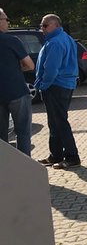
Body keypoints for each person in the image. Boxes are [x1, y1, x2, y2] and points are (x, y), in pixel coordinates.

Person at [35, 14, 81, 169]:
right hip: (65, 84)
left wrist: (43, 84)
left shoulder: (55, 42)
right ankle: (55, 155)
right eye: (41, 25)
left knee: (59, 122)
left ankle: (72, 157)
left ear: (56, 25)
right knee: (55, 121)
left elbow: (51, 68)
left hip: (56, 85)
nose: (42, 28)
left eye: (45, 25)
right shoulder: (66, 38)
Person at [0, 9, 34, 156]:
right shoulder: (11, 41)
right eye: (6, 19)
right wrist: (17, 67)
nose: (8, 23)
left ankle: (4, 166)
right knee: (23, 133)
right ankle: (25, 166)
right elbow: (30, 65)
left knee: (1, 137)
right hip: (17, 92)